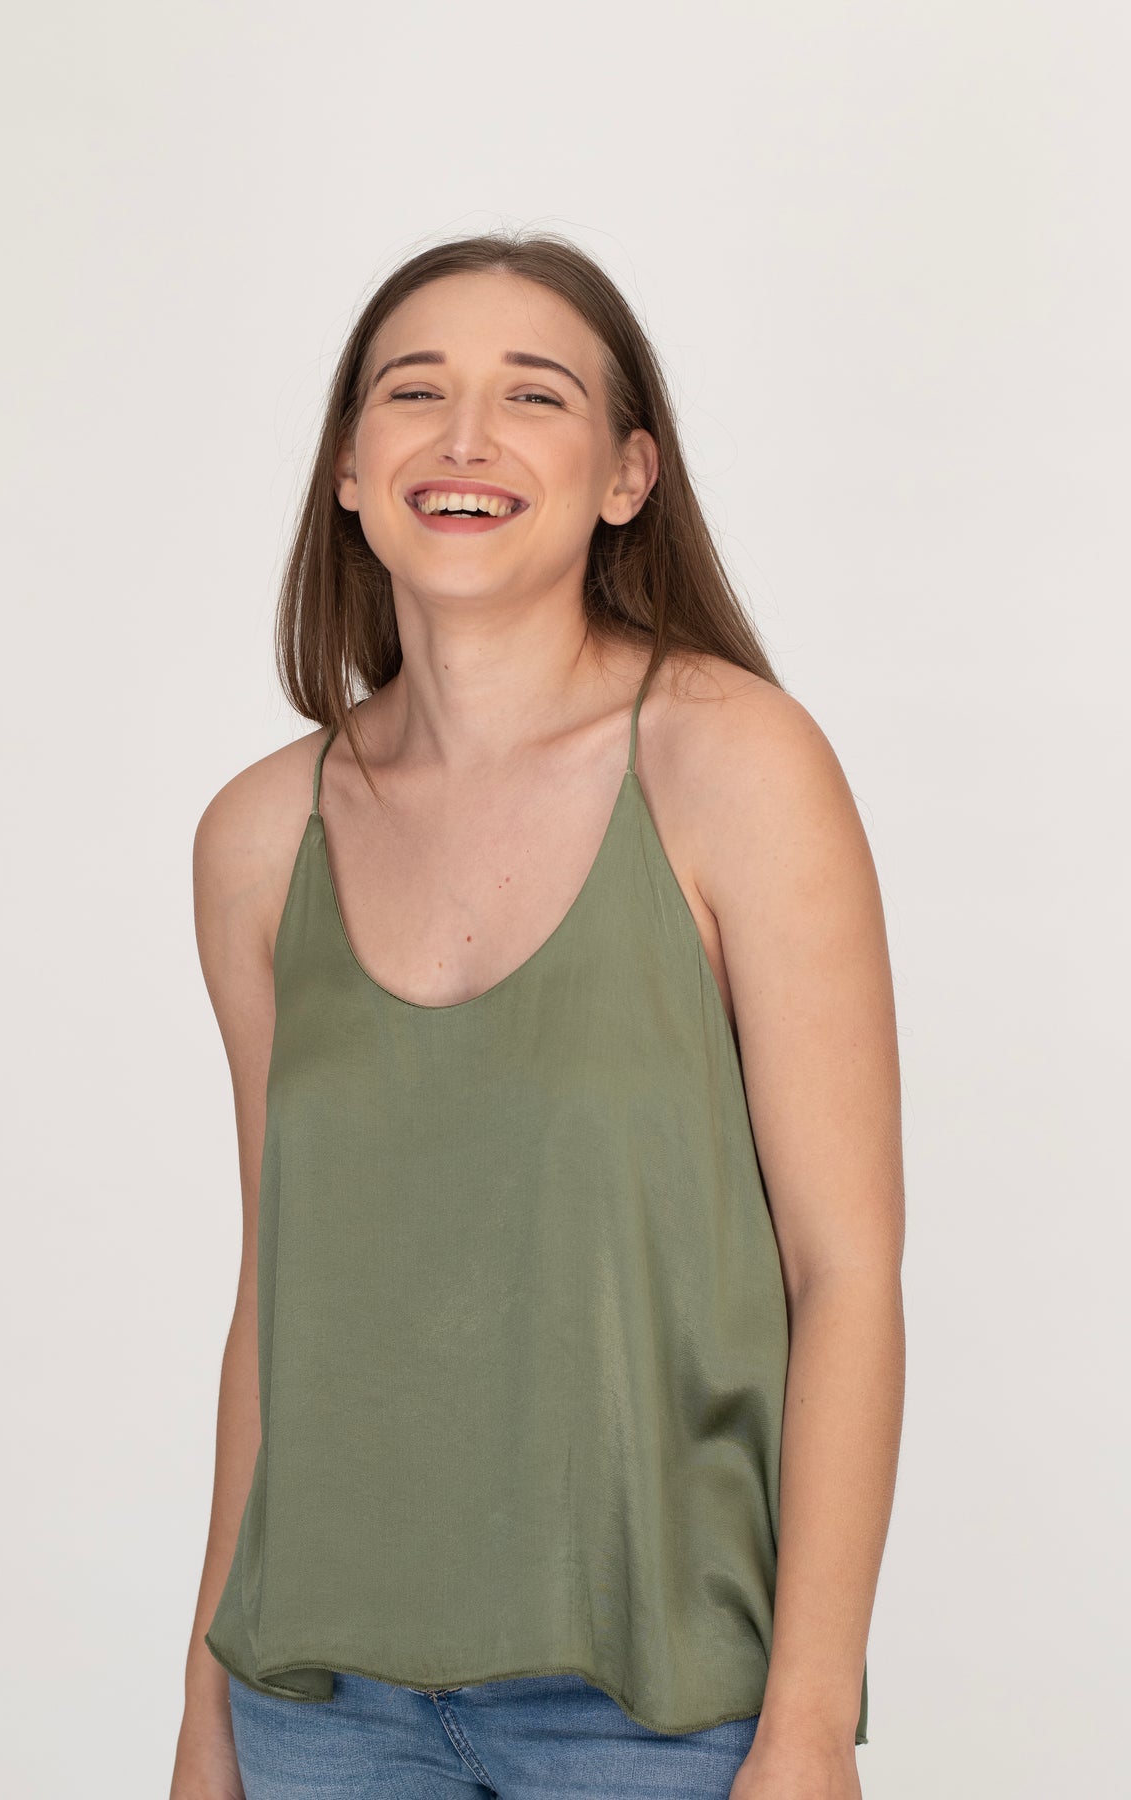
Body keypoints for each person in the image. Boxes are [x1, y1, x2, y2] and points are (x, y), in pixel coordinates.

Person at [168, 231, 905, 1800]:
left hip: (661, 1714)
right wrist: (205, 1704)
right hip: (319, 1707)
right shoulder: (257, 840)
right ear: (351, 469)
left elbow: (845, 1276)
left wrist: (808, 1722)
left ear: (628, 474)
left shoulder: (736, 768)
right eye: (413, 391)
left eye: (533, 395)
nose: (465, 437)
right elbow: (279, 1297)